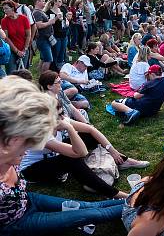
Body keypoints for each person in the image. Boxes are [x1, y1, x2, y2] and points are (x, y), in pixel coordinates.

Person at [0, 76, 125, 235]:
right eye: (24, 145)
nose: (25, 152)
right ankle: (142, 202)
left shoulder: (12, 151)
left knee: (86, 206)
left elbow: (87, 135)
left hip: (28, 199)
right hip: (18, 222)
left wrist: (68, 126)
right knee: (94, 214)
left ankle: (132, 199)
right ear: (10, 141)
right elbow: (78, 153)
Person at [1, 0, 31, 75]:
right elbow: (6, 38)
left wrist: (25, 49)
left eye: (6, 8)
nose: (5, 11)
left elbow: (28, 35)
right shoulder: (4, 21)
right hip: (11, 51)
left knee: (23, 73)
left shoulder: (24, 18)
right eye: (4, 9)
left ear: (12, 8)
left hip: (24, 49)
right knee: (12, 73)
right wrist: (16, 51)